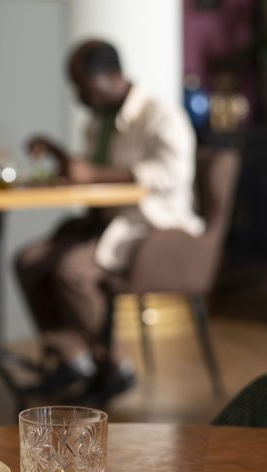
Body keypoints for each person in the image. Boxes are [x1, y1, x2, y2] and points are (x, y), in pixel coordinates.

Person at [15, 39, 203, 402]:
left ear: (113, 76)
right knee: (29, 262)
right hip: (106, 223)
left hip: (153, 228)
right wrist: (62, 159)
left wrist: (98, 173)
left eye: (84, 85)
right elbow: (90, 173)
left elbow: (173, 175)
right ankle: (74, 356)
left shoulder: (161, 115)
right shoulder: (98, 123)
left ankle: (117, 366)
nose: (80, 96)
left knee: (72, 269)